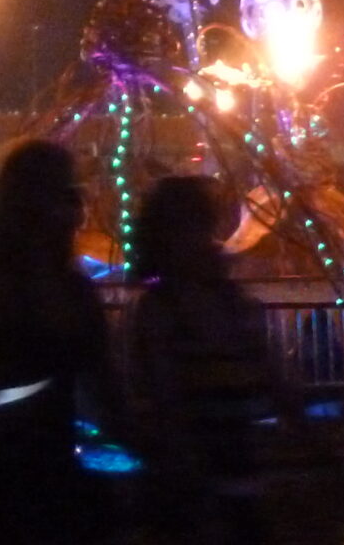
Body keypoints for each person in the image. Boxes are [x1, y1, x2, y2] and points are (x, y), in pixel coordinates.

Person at [0, 139, 117, 543]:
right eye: (64, 194)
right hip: (2, 472)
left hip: (37, 466)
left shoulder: (62, 287)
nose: (75, 210)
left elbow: (101, 381)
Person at [127, 176, 277, 544]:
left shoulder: (227, 300)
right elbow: (159, 393)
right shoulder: (159, 309)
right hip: (192, 467)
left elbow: (266, 368)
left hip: (232, 457)